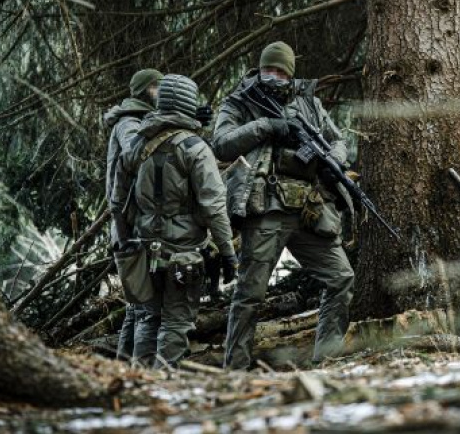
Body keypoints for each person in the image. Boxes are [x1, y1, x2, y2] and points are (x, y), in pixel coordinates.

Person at [212, 41, 355, 369]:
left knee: (341, 278)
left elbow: (338, 140)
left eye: (280, 70)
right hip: (266, 208)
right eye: (268, 69)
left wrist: (333, 162)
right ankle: (236, 370)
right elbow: (220, 144)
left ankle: (325, 361)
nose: (273, 75)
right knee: (250, 294)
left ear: (290, 74)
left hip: (310, 208)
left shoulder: (309, 102)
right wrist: (267, 126)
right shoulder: (241, 100)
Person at [110, 74, 238, 368]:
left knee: (148, 318)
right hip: (184, 253)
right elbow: (214, 207)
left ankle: (140, 382)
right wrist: (228, 253)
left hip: (143, 249)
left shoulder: (136, 145)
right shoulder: (195, 148)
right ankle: (161, 384)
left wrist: (128, 243)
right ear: (188, 103)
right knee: (176, 323)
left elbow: (117, 204)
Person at [103, 68, 162, 363]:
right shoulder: (129, 123)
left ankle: (123, 370)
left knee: (136, 308)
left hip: (130, 229)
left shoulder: (140, 120)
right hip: (131, 230)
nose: (160, 92)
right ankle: (138, 375)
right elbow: (135, 155)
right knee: (147, 311)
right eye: (156, 87)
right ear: (143, 91)